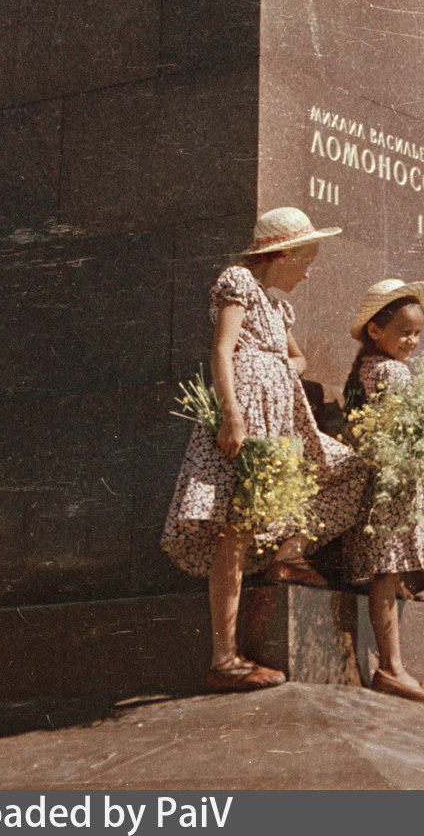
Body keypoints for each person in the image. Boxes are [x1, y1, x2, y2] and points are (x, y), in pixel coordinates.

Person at [161, 207, 372, 692]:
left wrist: (280, 370)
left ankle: (290, 553)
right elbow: (221, 349)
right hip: (248, 414)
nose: (309, 270)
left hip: (281, 416)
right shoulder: (237, 281)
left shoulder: (276, 307)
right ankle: (224, 657)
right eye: (306, 259)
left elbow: (296, 356)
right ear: (282, 254)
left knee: (348, 469)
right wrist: (231, 412)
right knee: (234, 529)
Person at [341, 278, 424, 704]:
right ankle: (391, 667)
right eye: (405, 332)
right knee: (387, 572)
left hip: (385, 478)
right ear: (376, 331)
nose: (413, 341)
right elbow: (411, 422)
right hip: (394, 482)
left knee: (389, 572)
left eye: (418, 333)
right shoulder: (390, 370)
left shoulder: (364, 369)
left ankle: (393, 662)